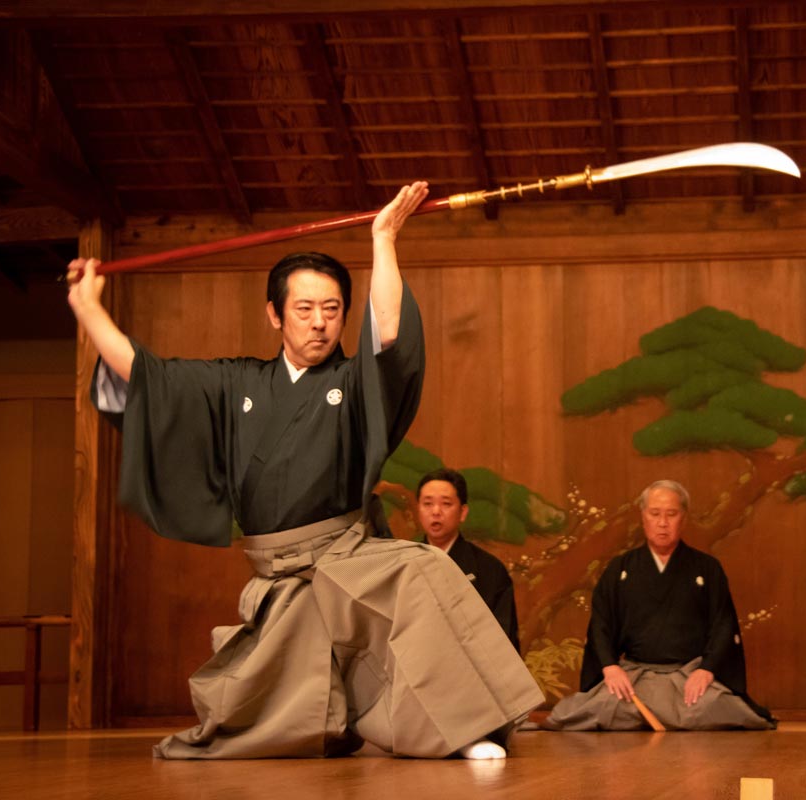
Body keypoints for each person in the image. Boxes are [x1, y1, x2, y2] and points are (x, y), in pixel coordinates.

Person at [67, 182, 542, 760]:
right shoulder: (237, 383)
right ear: (274, 314)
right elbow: (151, 380)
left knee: (424, 575)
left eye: (333, 309)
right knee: (280, 727)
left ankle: (463, 729)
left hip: (346, 555)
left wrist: (384, 239)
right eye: (304, 308)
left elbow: (389, 334)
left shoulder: (352, 384)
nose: (319, 323)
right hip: (277, 573)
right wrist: (89, 309)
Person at [542, 480, 773, 731]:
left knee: (714, 706)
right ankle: (668, 717)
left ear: (683, 518)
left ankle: (650, 717)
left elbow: (723, 624)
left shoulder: (706, 568)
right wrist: (610, 667)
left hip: (687, 678)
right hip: (636, 677)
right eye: (655, 514)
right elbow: (601, 624)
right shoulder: (620, 569)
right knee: (595, 707)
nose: (663, 523)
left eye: (671, 514)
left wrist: (706, 670)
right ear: (643, 517)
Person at [416, 468, 520, 651]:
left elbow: (503, 644)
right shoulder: (405, 564)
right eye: (427, 503)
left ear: (463, 512)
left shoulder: (491, 571)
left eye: (446, 504)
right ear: (418, 509)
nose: (436, 511)